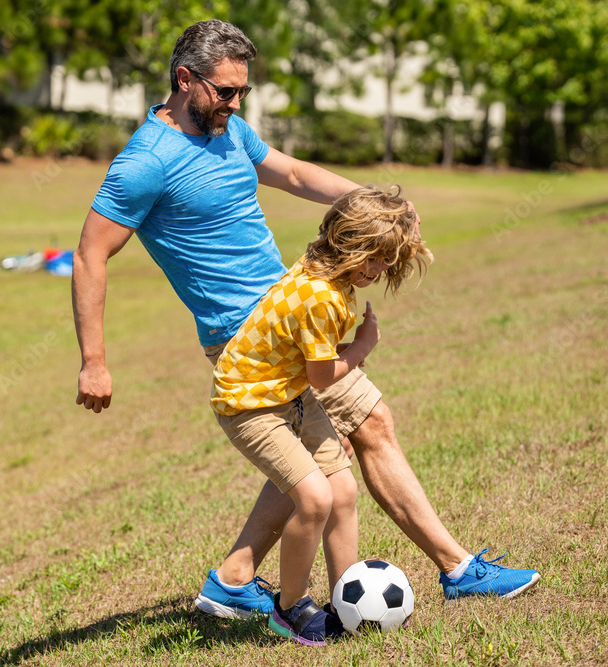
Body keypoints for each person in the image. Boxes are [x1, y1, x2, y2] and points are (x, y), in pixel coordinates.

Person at [71, 19, 540, 620]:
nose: (236, 103)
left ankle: (236, 579)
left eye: (243, 90)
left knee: (330, 451)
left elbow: (292, 173)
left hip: (291, 314)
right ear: (184, 79)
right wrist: (94, 362)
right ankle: (455, 569)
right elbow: (90, 254)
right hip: (250, 337)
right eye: (224, 91)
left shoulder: (229, 131)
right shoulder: (146, 162)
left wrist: (374, 204)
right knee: (362, 430)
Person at [211, 186, 429, 644]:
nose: (376, 271)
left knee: (342, 487)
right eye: (370, 258)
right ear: (346, 242)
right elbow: (325, 376)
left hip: (287, 393)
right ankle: (290, 609)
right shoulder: (322, 297)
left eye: (385, 262)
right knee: (314, 499)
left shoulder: (327, 274)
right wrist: (363, 347)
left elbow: (315, 364)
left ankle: (345, 600)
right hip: (251, 405)